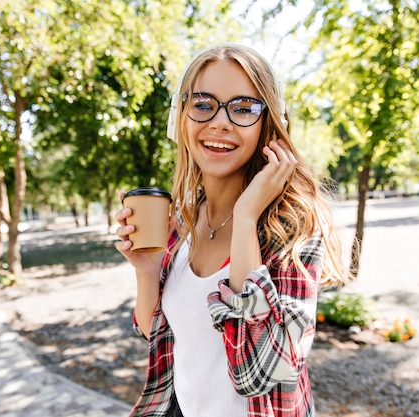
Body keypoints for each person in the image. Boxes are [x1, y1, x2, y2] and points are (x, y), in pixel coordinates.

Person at [115, 43, 350, 417]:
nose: (219, 122)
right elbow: (155, 332)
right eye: (203, 104)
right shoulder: (182, 220)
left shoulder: (294, 227)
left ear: (268, 124)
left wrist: (245, 219)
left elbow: (261, 372)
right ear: (182, 117)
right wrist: (146, 271)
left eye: (243, 109)